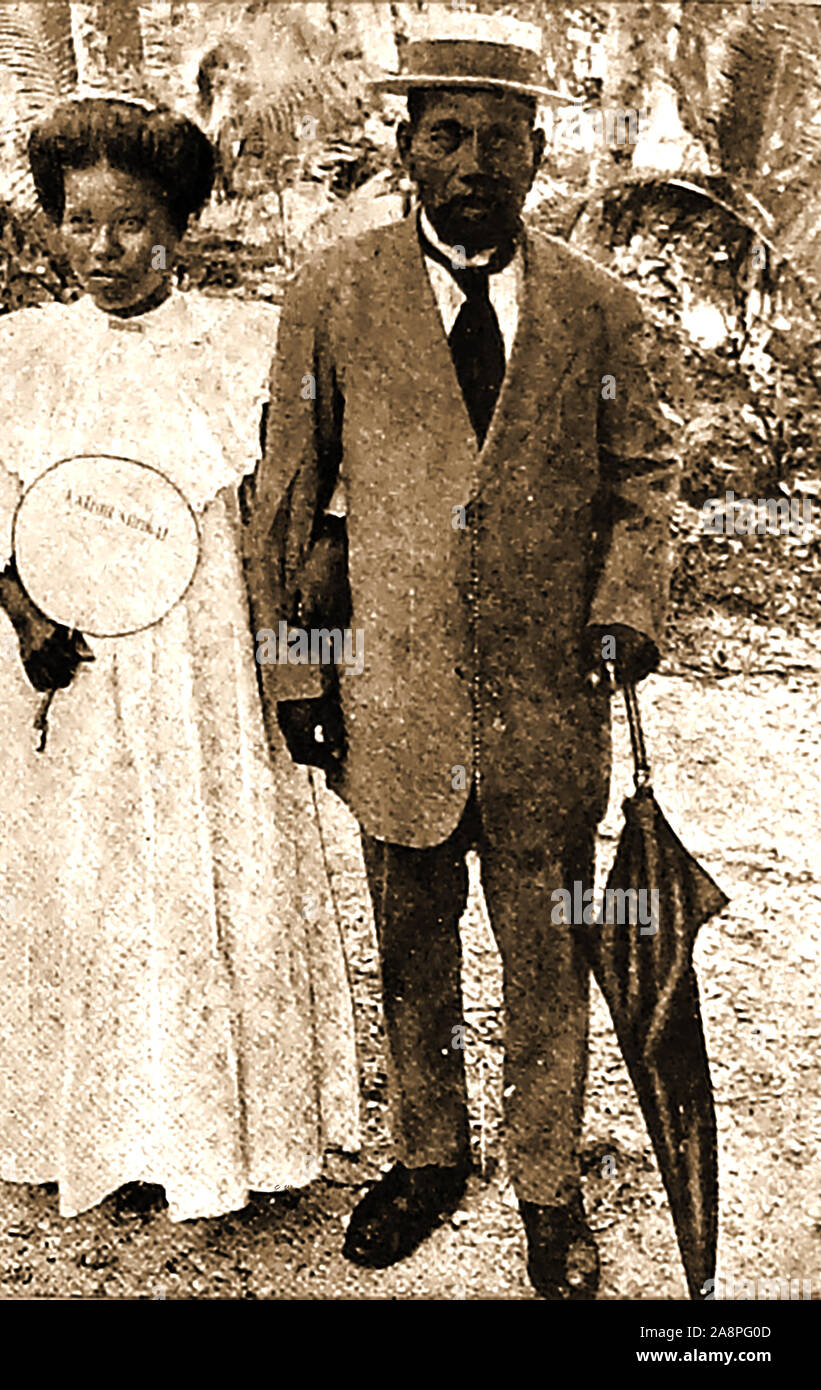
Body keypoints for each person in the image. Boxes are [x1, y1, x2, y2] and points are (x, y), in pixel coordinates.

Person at [245, 21, 678, 1297]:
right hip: (398, 695)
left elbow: (645, 476)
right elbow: (288, 498)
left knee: (552, 943)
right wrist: (299, 672)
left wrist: (626, 607)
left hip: (550, 704)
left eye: (500, 136)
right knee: (411, 940)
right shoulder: (331, 292)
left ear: (540, 153)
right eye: (445, 134)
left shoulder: (596, 306)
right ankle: (427, 1154)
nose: (473, 161)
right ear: (403, 149)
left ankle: (547, 1181)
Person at [0, 96, 359, 1224]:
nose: (103, 252)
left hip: (198, 657)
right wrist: (23, 618)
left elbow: (296, 512)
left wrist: (294, 643)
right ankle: (93, 1132)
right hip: (68, 661)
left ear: (180, 224)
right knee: (85, 880)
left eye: (131, 226)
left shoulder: (243, 348)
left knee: (201, 870)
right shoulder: (16, 360)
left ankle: (210, 1136)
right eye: (80, 224)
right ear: (54, 226)